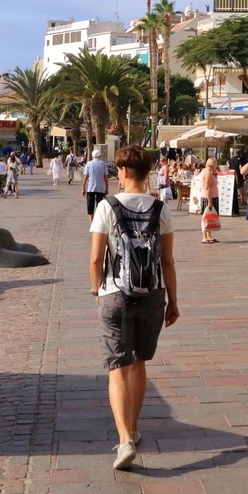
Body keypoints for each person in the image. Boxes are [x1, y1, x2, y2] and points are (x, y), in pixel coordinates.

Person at [88, 146, 179, 470]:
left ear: (124, 172)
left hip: (114, 293)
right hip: (152, 295)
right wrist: (173, 301)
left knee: (117, 367)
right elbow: (167, 260)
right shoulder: (160, 208)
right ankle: (135, 427)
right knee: (139, 362)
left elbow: (97, 258)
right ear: (148, 172)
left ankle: (125, 438)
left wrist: (97, 290)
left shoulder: (106, 207)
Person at [196, 157, 220, 244]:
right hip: (209, 197)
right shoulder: (208, 173)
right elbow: (207, 188)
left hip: (208, 196)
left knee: (209, 217)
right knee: (206, 217)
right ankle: (204, 237)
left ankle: (209, 236)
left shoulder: (205, 171)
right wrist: (210, 201)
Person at [82, 148, 110, 221]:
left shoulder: (89, 164)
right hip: (100, 188)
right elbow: (106, 177)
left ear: (92, 156)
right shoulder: (103, 164)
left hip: (90, 188)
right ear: (100, 156)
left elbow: (86, 176)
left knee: (90, 207)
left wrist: (83, 187)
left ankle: (92, 223)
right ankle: (98, 222)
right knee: (99, 206)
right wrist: (107, 188)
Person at [226, 149, 245, 215]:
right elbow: (240, 167)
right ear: (239, 153)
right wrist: (243, 175)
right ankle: (242, 200)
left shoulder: (230, 159)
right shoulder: (240, 159)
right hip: (239, 175)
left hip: (231, 176)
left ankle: (231, 201)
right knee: (241, 187)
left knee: (233, 188)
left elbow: (227, 167)